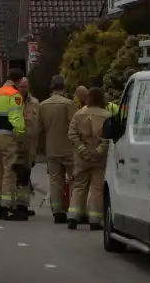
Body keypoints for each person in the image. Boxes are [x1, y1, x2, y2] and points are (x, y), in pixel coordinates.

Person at [67, 86, 111, 230]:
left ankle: (73, 216)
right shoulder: (107, 116)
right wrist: (98, 151)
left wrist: (82, 150)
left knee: (79, 186)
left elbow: (72, 134)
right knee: (97, 188)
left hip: (81, 158)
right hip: (99, 159)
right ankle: (95, 219)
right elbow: (108, 138)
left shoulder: (79, 114)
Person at [0, 68, 27, 221]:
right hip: (9, 135)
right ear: (18, 80)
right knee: (9, 171)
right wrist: (21, 133)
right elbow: (15, 117)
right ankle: (7, 206)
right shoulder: (14, 95)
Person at [38, 75, 76, 224]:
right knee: (74, 179)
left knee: (55, 180)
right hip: (68, 149)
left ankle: (57, 211)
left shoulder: (43, 105)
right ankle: (74, 210)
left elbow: (39, 129)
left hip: (51, 148)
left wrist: (40, 149)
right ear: (63, 88)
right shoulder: (68, 104)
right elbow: (74, 125)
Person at [12, 77, 40, 218]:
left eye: (25, 86)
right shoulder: (13, 101)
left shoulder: (35, 103)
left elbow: (38, 124)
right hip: (15, 145)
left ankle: (23, 205)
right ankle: (16, 205)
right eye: (21, 86)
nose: (23, 89)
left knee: (26, 176)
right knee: (17, 177)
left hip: (30, 145)